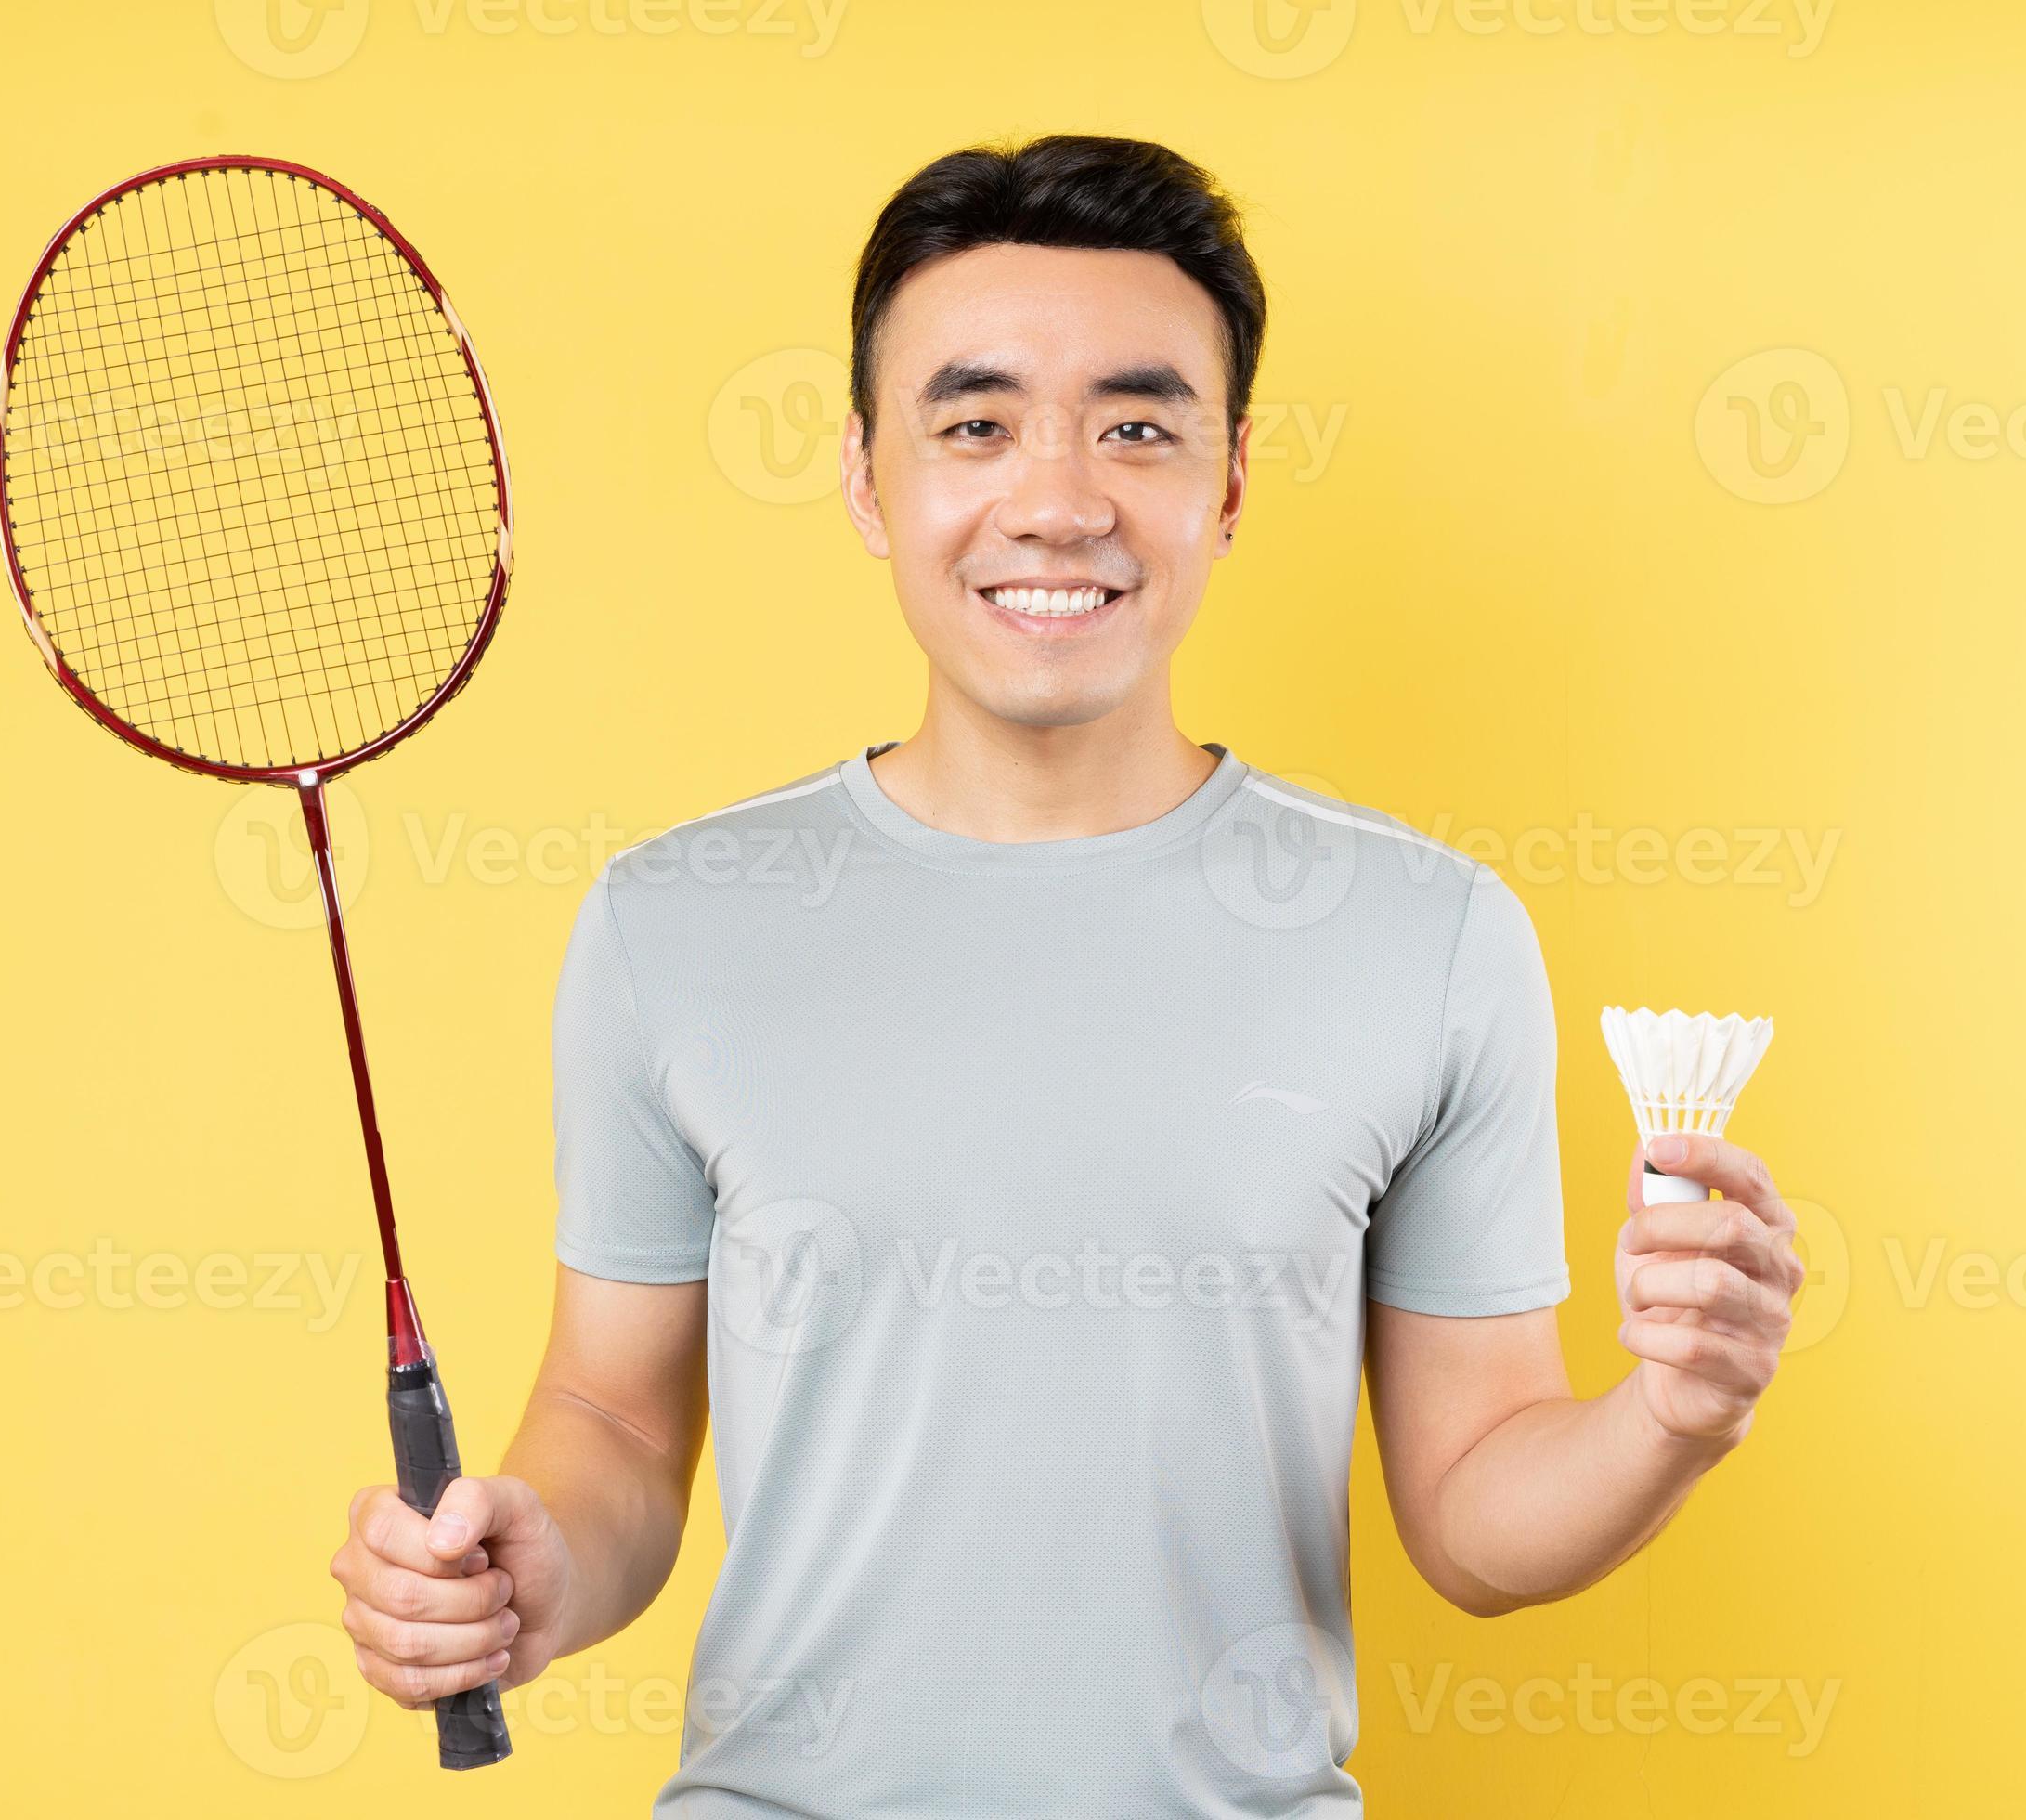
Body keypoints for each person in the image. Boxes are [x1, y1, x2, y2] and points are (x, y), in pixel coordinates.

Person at [328, 134, 1805, 1816]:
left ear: (1230, 481)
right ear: (869, 482)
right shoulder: (675, 922)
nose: (1057, 498)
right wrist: (529, 1567)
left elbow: (1475, 1515)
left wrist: (1675, 1415)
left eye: (1138, 426)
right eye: (974, 425)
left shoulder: (1429, 938)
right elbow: (614, 1425)